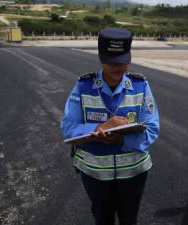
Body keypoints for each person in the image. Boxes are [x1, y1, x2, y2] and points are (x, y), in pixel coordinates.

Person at [61, 27, 159, 225]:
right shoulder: (83, 86)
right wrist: (99, 129)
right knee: (102, 218)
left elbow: (152, 128)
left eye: (122, 62)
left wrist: (123, 138)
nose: (117, 68)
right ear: (100, 57)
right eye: (110, 62)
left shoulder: (141, 86)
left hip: (134, 173)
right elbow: (68, 127)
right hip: (95, 174)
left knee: (129, 219)